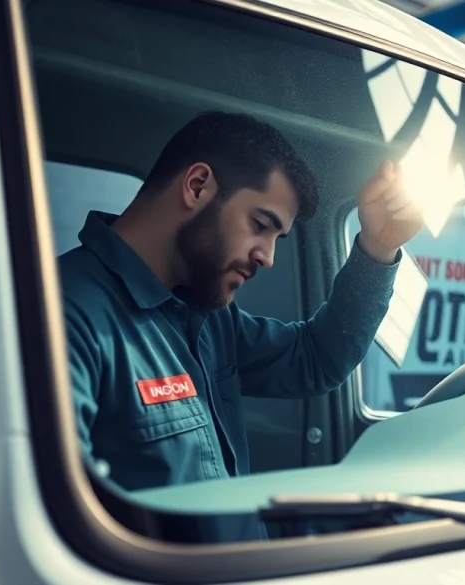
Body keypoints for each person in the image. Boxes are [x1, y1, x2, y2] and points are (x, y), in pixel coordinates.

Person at [59, 111, 423, 492]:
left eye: (276, 238)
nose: (267, 257)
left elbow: (316, 360)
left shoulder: (209, 318)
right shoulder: (66, 319)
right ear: (198, 186)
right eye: (260, 226)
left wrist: (379, 247)